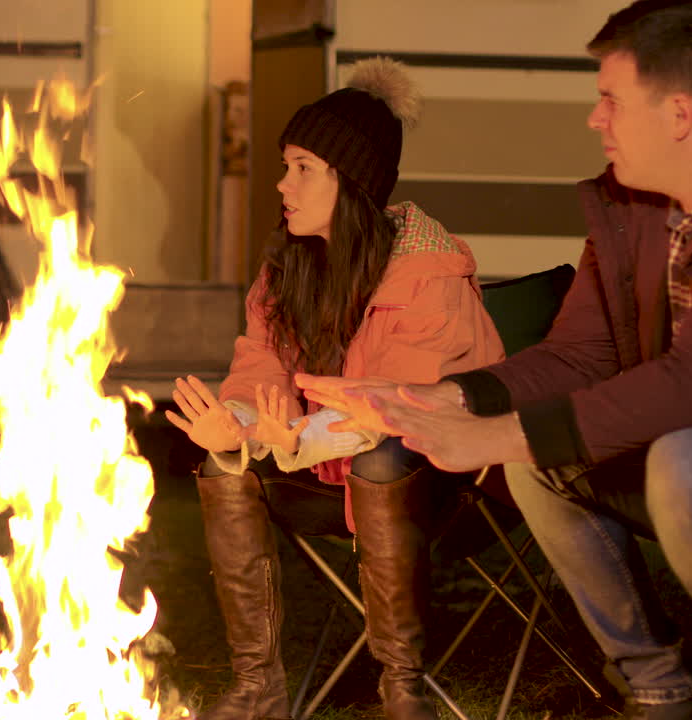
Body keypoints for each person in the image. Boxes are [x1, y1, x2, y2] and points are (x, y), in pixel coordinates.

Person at [296, 2, 692, 719]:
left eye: (609, 100)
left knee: (685, 461)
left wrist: (495, 434)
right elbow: (584, 350)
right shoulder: (636, 195)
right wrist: (443, 397)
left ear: (677, 115)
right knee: (536, 454)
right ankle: (656, 685)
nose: (593, 120)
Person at [167, 58, 505, 720]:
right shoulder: (288, 268)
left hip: (441, 478)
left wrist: (293, 439)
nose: (281, 183)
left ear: (351, 182)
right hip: (326, 469)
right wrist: (236, 426)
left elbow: (399, 406)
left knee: (383, 458)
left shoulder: (426, 272)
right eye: (285, 164)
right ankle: (257, 686)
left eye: (302, 168)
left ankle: (403, 688)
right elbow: (260, 366)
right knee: (223, 466)